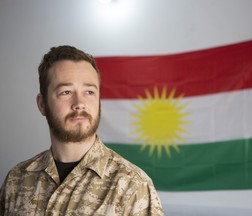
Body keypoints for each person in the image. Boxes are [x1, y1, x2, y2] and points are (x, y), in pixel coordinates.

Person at [0, 46, 164, 215]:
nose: (79, 102)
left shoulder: (133, 187)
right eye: (66, 92)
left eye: (89, 92)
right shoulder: (16, 180)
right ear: (42, 104)